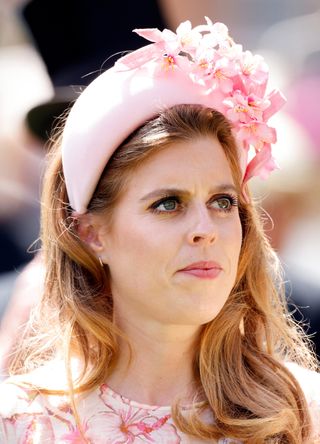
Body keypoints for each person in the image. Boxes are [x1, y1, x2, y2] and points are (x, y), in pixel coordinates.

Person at [0, 18, 319, 443]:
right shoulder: (22, 422)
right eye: (168, 204)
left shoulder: (302, 413)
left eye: (223, 202)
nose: (206, 230)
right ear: (92, 233)